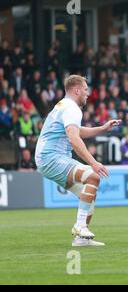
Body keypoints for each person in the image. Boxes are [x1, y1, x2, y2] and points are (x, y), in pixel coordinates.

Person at [35, 75, 121, 246]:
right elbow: (74, 139)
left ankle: (81, 239)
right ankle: (80, 226)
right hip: (51, 157)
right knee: (93, 177)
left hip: (47, 159)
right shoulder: (72, 108)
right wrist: (94, 163)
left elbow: (78, 131)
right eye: (86, 89)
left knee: (88, 194)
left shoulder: (63, 105)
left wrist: (102, 128)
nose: (88, 93)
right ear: (77, 90)